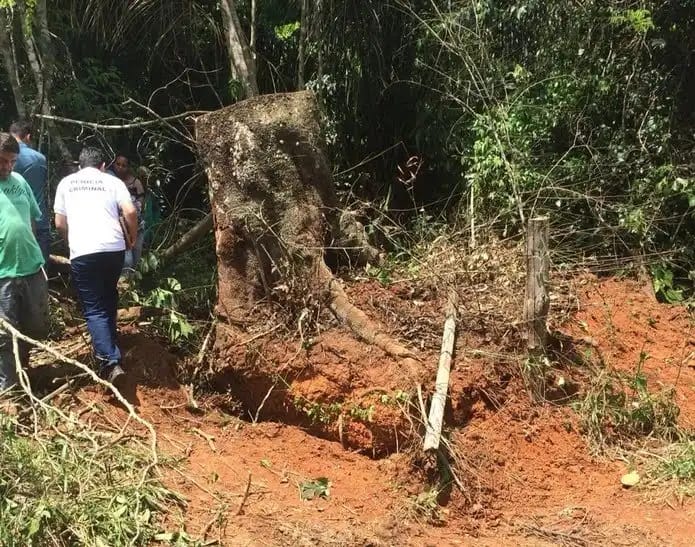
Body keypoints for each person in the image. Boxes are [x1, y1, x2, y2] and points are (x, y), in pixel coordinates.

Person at [54, 147, 138, 385]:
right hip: (114, 248)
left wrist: (69, 240)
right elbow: (130, 211)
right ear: (103, 166)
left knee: (94, 307)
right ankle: (110, 345)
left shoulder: (67, 183)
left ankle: (110, 363)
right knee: (109, 296)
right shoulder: (112, 182)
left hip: (84, 251)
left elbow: (60, 223)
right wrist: (132, 237)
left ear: (80, 165)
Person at [0, 133, 49, 393]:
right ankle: (7, 389)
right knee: (5, 334)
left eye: (12, 161)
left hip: (31, 266)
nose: (7, 167)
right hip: (3, 272)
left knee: (35, 327)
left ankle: (24, 370)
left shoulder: (19, 180)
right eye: (2, 161)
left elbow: (30, 218)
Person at [10, 120, 50, 261]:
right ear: (27, 136)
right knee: (39, 269)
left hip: (10, 221)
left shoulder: (5, 159)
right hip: (38, 220)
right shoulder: (39, 158)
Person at [112, 154, 145, 276]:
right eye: (118, 164)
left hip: (137, 226)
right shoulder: (111, 182)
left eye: (124, 165)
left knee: (135, 259)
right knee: (127, 261)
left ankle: (133, 286)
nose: (120, 168)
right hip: (120, 228)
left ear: (128, 167)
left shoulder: (136, 183)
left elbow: (140, 206)